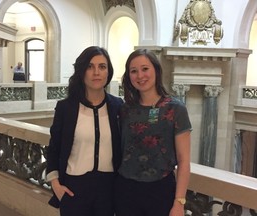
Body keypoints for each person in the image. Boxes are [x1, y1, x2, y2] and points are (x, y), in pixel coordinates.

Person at [46, 46, 123, 216]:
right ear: (82, 71)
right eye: (90, 66)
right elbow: (53, 149)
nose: (96, 72)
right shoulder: (66, 108)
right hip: (74, 190)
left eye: (102, 67)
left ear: (108, 72)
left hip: (108, 191)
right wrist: (55, 184)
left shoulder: (118, 107)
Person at [114, 49, 192, 216]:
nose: (140, 75)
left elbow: (184, 160)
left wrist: (179, 202)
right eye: (133, 71)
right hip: (126, 189)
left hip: (161, 190)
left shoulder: (175, 109)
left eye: (145, 69)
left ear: (156, 70)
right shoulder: (125, 109)